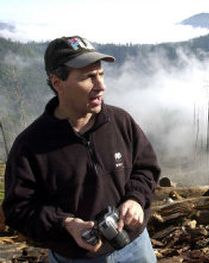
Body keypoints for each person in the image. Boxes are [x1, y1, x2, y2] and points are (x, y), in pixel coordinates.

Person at [2, 36, 161, 262]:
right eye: (89, 77)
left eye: (101, 74)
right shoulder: (31, 145)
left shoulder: (120, 122)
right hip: (75, 257)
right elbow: (19, 209)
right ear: (57, 83)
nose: (101, 86)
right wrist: (65, 224)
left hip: (135, 247)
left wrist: (135, 199)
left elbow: (146, 168)